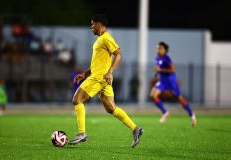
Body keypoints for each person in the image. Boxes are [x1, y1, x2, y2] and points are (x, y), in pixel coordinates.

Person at [68, 14, 144, 148]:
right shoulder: (99, 40)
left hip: (99, 77)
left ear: (98, 24)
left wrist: (110, 72)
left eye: (92, 24)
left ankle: (82, 133)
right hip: (101, 77)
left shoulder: (106, 38)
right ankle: (135, 129)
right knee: (111, 108)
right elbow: (98, 64)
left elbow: (119, 54)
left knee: (77, 100)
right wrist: (84, 74)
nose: (91, 27)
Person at [150, 42, 197, 126]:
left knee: (180, 99)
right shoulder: (157, 58)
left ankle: (191, 114)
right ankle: (165, 112)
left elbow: (172, 70)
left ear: (165, 50)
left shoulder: (167, 59)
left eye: (160, 48)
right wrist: (157, 73)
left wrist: (160, 70)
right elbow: (159, 68)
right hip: (163, 82)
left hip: (171, 82)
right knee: (153, 95)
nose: (158, 49)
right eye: (158, 48)